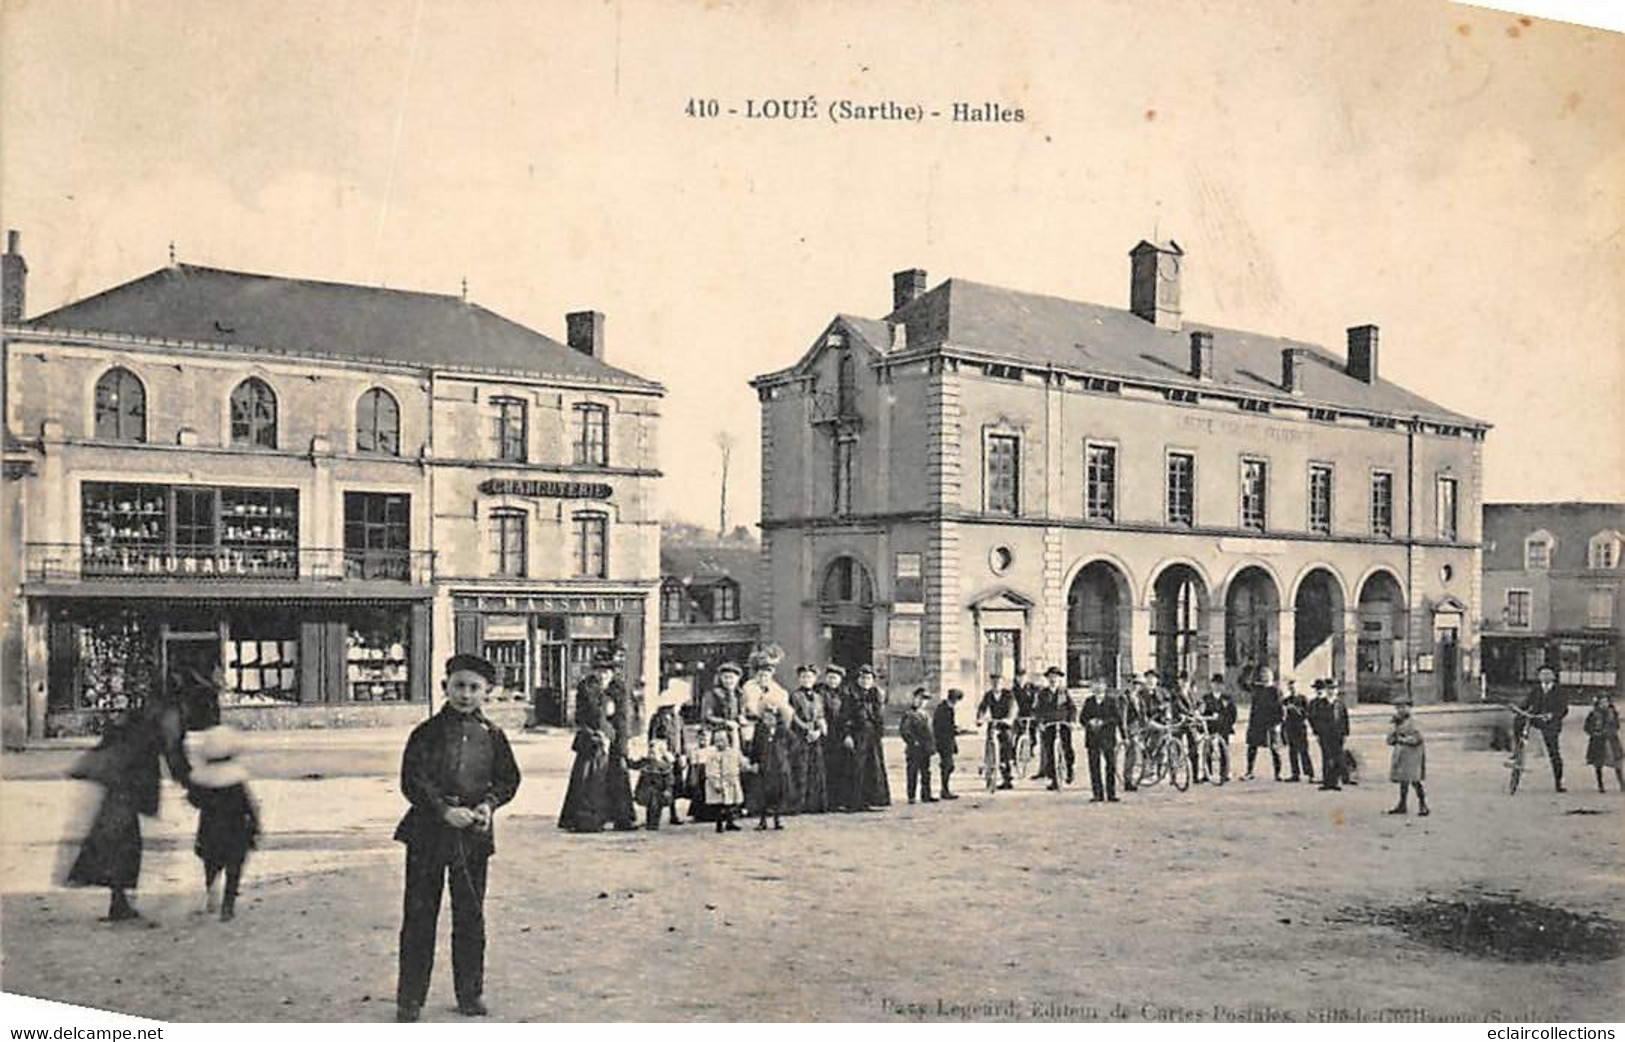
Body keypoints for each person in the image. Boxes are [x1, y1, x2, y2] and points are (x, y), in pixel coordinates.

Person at [394, 655, 522, 1022]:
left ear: (487, 693)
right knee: (420, 915)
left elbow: (509, 779)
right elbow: (412, 780)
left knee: (470, 915)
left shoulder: (493, 736)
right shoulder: (426, 733)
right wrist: (443, 811)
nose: (465, 694)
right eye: (459, 686)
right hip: (427, 834)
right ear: (445, 687)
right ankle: (410, 999)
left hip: (473, 838)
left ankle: (469, 993)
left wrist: (488, 805)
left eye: (474, 688)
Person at [65, 705, 165, 922]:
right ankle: (120, 904)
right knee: (125, 851)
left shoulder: (121, 736)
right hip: (123, 804)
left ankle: (118, 902)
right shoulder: (141, 739)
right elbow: (147, 773)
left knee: (116, 850)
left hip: (113, 802)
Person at [184, 725, 260, 921]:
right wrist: (255, 826)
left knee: (211, 862)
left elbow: (194, 799)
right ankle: (228, 904)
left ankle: (211, 889)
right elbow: (248, 806)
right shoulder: (236, 778)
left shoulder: (204, 777)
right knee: (234, 867)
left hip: (210, 827)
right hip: (236, 829)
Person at [559, 650, 628, 833]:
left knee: (617, 777)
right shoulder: (586, 687)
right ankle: (588, 819)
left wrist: (620, 745)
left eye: (607, 671)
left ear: (613, 672)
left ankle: (620, 818)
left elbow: (623, 718)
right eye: (599, 670)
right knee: (589, 780)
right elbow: (581, 717)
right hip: (592, 739)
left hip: (613, 740)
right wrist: (594, 734)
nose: (603, 674)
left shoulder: (619, 688)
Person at [844, 665, 892, 810]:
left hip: (872, 736)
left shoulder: (875, 695)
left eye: (869, 678)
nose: (866, 681)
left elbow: (880, 716)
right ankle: (855, 802)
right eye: (863, 678)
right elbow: (845, 716)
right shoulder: (850, 695)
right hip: (857, 735)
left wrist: (879, 733)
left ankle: (872, 800)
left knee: (873, 767)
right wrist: (847, 735)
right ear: (858, 679)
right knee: (857, 767)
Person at [646, 682, 689, 826]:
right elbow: (653, 739)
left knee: (674, 785)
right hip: (663, 757)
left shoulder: (678, 719)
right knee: (659, 787)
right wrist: (662, 754)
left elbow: (682, 738)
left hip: (675, 756)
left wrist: (683, 754)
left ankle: (673, 813)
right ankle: (654, 818)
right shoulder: (657, 718)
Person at [787, 665, 829, 814]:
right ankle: (799, 804)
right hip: (800, 736)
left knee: (816, 768)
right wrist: (806, 729)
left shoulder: (818, 697)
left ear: (815, 679)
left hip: (815, 736)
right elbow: (793, 716)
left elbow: (820, 716)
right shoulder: (794, 696)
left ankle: (815, 804)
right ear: (799, 679)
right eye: (804, 677)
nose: (807, 679)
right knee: (801, 768)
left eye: (810, 677)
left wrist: (818, 731)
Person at [1524, 664, 1570, 792]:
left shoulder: (1559, 691)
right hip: (1537, 719)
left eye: (1548, 674)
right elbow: (1526, 703)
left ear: (1554, 676)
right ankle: (1518, 746)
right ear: (1539, 677)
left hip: (1551, 723)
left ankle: (1558, 782)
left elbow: (1564, 709)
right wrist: (1523, 710)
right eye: (1542, 674)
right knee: (1519, 721)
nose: (1545, 676)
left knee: (1554, 751)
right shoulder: (1535, 690)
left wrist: (1552, 715)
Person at [1080, 680, 1123, 803]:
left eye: (1100, 685)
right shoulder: (1089, 702)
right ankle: (1097, 794)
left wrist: (1104, 722)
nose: (1098, 687)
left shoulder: (1111, 701)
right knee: (1094, 767)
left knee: (1110, 766)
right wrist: (1090, 722)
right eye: (1095, 685)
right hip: (1092, 738)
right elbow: (1082, 718)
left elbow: (1117, 718)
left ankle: (1111, 793)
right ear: (1092, 688)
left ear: (1105, 687)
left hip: (1108, 738)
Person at [1385, 699, 1429, 816]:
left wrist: (1402, 739)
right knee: (1403, 780)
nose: (1400, 710)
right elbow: (1389, 740)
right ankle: (1402, 804)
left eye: (1403, 707)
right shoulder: (1397, 722)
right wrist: (1394, 728)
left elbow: (1418, 738)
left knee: (1415, 780)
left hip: (1413, 755)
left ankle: (1423, 805)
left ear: (1409, 708)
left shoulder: (1414, 722)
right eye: (1398, 708)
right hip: (1401, 755)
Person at [818, 665, 852, 811]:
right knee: (825, 768)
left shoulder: (844, 695)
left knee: (840, 767)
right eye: (830, 677)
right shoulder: (820, 692)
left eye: (836, 678)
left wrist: (847, 734)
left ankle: (839, 800)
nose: (832, 680)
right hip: (825, 735)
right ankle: (826, 801)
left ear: (840, 680)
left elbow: (847, 716)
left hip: (839, 735)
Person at [976, 671, 1018, 790]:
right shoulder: (988, 695)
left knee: (1006, 745)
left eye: (998, 682)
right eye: (993, 683)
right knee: (989, 740)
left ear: (1002, 683)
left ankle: (1007, 777)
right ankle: (988, 763)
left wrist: (1009, 719)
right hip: (994, 722)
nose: (996, 685)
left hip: (1005, 724)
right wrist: (980, 718)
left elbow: (1013, 707)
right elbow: (982, 708)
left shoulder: (1008, 695)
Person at [1036, 666, 1076, 790]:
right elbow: (1038, 710)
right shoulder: (1042, 694)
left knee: (1067, 748)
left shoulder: (1064, 692)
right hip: (1049, 724)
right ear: (1048, 679)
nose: (1053, 679)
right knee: (1049, 751)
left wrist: (1072, 721)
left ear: (1059, 679)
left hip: (1063, 723)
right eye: (1051, 677)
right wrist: (1040, 723)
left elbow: (1072, 708)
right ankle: (1054, 779)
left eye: (1056, 677)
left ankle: (1069, 769)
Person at [1243, 666, 1284, 781]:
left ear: (1271, 677)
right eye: (1262, 675)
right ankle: (1249, 772)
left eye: (1267, 675)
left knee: (1275, 749)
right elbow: (1243, 683)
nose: (1264, 677)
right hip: (1256, 722)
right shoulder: (1257, 688)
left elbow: (1280, 708)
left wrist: (1278, 723)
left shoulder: (1276, 691)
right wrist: (1249, 668)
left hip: (1270, 723)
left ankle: (1278, 774)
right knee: (1252, 747)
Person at [700, 728, 744, 833]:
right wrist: (715, 782)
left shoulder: (733, 752)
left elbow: (740, 763)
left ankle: (730, 822)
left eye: (723, 740)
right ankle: (719, 823)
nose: (720, 743)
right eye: (717, 741)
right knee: (719, 805)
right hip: (720, 780)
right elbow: (711, 770)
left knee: (731, 803)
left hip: (731, 780)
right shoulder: (712, 755)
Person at [900, 687, 937, 804]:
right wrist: (913, 741)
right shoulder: (909, 714)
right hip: (914, 749)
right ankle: (911, 796)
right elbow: (904, 730)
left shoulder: (925, 714)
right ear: (914, 698)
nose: (922, 702)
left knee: (926, 772)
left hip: (925, 748)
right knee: (912, 773)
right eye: (920, 698)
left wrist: (932, 746)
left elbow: (930, 732)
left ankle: (926, 794)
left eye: (925, 700)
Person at [1199, 674, 1237, 784]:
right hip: (1210, 727)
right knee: (1208, 750)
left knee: (1224, 750)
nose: (1217, 686)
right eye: (1215, 684)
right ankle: (1207, 773)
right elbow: (1202, 711)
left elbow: (1232, 713)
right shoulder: (1206, 698)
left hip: (1223, 727)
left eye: (1219, 684)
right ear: (1211, 685)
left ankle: (1224, 773)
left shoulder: (1227, 698)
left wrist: (1229, 724)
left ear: (1222, 686)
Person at [1583, 692, 1624, 793]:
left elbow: (1617, 725)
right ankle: (1600, 784)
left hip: (1611, 740)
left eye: (1606, 701)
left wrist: (1611, 731)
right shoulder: (1593, 714)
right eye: (1602, 702)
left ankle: (1622, 783)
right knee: (1598, 763)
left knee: (1617, 762)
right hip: (1598, 741)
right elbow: (1587, 727)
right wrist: (1594, 733)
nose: (1604, 704)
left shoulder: (1613, 712)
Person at [634, 738, 677, 830]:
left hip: (659, 789)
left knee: (656, 807)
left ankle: (654, 823)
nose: (651, 755)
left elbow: (669, 778)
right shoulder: (646, 763)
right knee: (649, 806)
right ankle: (649, 822)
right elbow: (636, 766)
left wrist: (667, 789)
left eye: (654, 753)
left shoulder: (663, 765)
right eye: (650, 752)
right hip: (647, 788)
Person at [1318, 679, 1351, 791]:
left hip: (1338, 734)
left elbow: (1345, 719)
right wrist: (1318, 733)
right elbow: (1317, 719)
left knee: (1337, 757)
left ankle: (1335, 781)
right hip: (1325, 734)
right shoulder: (1320, 704)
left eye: (1333, 689)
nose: (1331, 691)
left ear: (1337, 691)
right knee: (1326, 757)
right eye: (1329, 689)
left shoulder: (1340, 704)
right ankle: (1327, 782)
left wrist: (1346, 733)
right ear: (1326, 690)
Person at [1280, 678, 1315, 783]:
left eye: (1294, 686)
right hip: (1290, 728)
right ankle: (1295, 774)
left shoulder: (1303, 699)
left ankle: (1310, 774)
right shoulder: (1286, 700)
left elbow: (1307, 714)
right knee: (1292, 751)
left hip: (1300, 727)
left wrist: (1295, 709)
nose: (1292, 689)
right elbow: (1283, 715)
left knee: (1304, 751)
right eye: (1290, 687)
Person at [934, 688, 964, 800]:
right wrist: (956, 730)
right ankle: (944, 790)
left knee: (949, 766)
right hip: (943, 742)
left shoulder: (944, 708)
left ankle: (945, 789)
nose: (955, 704)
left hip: (947, 741)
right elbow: (942, 727)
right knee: (947, 766)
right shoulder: (944, 709)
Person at [1012, 667, 1039, 777]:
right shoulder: (1014, 690)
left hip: (1031, 714)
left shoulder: (1031, 688)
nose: (1021, 679)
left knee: (1032, 733)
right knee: (1018, 734)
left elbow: (1036, 698)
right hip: (1019, 714)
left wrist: (1035, 711)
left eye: (1023, 677)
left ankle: (1031, 749)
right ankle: (1016, 755)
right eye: (1019, 677)